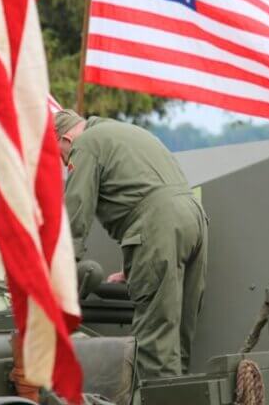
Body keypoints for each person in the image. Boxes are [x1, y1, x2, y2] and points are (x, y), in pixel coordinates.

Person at [54, 109, 208, 380]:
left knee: (154, 341)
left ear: (66, 139)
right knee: (179, 333)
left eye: (59, 153)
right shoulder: (123, 132)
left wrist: (62, 267)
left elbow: (77, 210)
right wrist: (134, 266)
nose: (63, 159)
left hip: (158, 228)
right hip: (193, 219)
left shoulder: (86, 144)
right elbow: (140, 195)